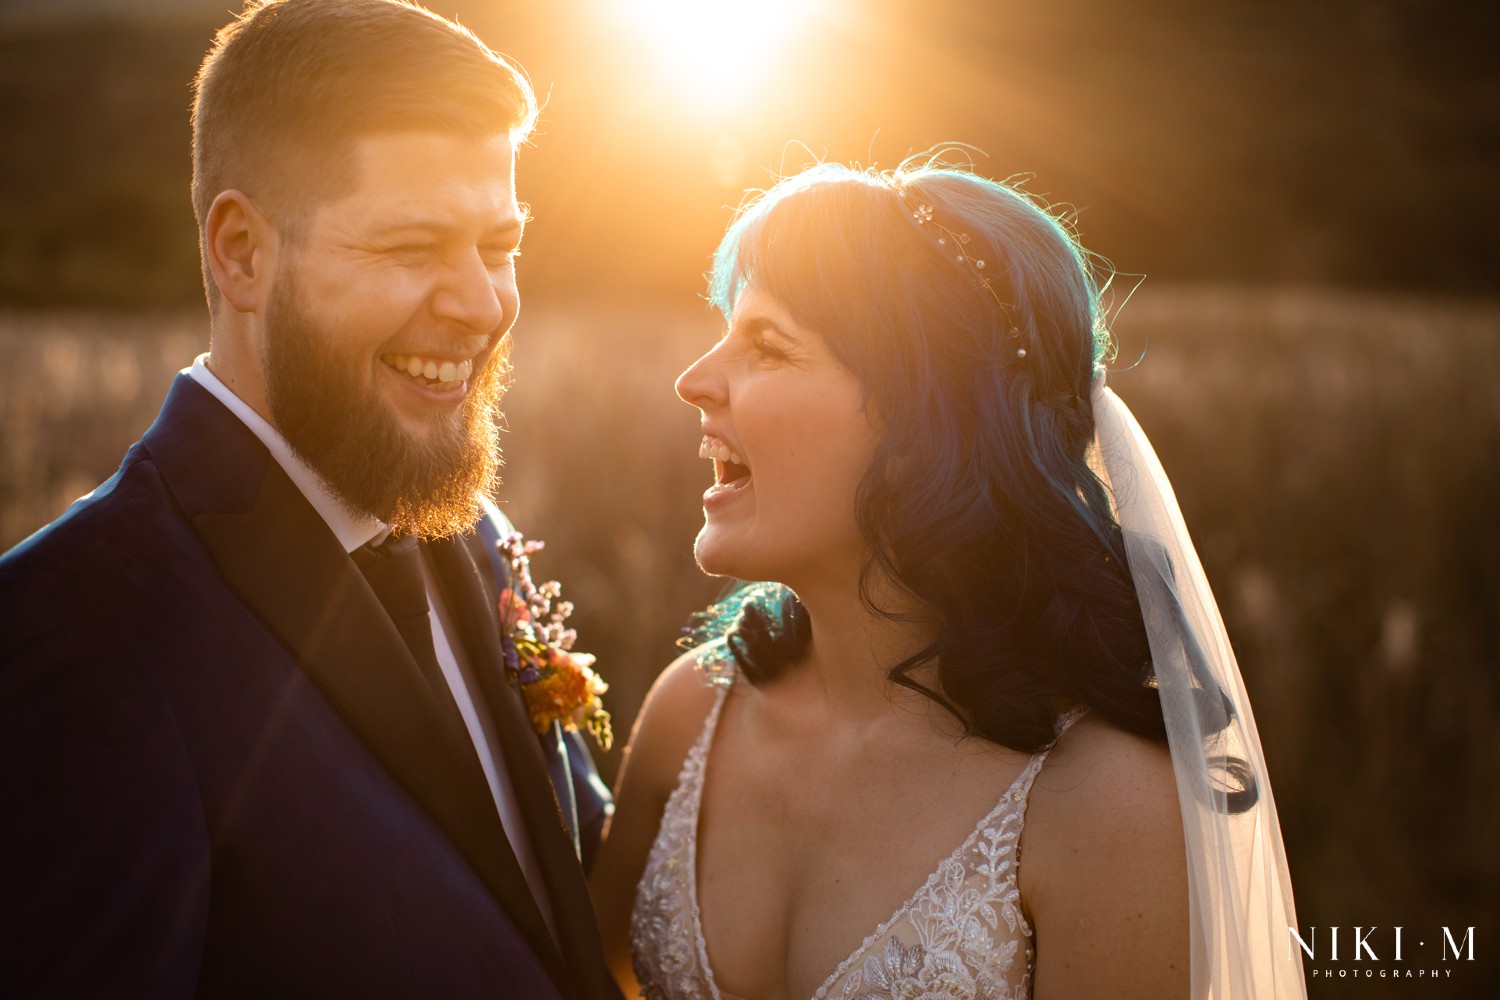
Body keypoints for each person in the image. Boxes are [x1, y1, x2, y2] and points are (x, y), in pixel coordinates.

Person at [0, 1, 616, 997]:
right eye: (414, 248)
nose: (482, 304)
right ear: (242, 251)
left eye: (498, 246)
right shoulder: (74, 630)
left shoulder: (476, 536)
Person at [591, 158, 1306, 999]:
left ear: (927, 424)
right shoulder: (691, 715)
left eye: (768, 346)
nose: (693, 380)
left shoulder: (1108, 808)